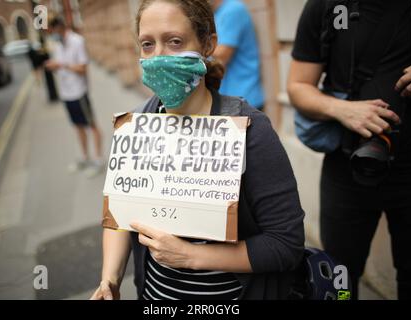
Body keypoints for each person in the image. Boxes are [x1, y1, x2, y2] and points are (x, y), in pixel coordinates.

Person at [91, 0, 304, 300]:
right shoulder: (135, 125)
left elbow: (285, 245)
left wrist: (192, 256)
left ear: (207, 44)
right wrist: (110, 279)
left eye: (174, 42)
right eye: (147, 45)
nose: (159, 57)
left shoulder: (250, 131)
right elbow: (119, 215)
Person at [288, 0, 411, 299]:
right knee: (340, 279)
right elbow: (297, 85)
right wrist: (341, 110)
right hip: (347, 167)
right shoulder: (327, 6)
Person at [45, 17, 104, 177]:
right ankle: (85, 157)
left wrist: (61, 65)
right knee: (78, 126)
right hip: (66, 93)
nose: (50, 34)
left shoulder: (77, 41)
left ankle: (98, 159)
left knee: (92, 125)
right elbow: (60, 65)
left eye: (51, 30)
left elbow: (83, 68)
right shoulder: (57, 44)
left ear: (59, 27)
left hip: (79, 92)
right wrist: (54, 66)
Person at [210, 0, 265, 110]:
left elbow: (221, 57)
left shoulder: (233, 9)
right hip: (228, 99)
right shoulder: (217, 12)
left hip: (243, 99)